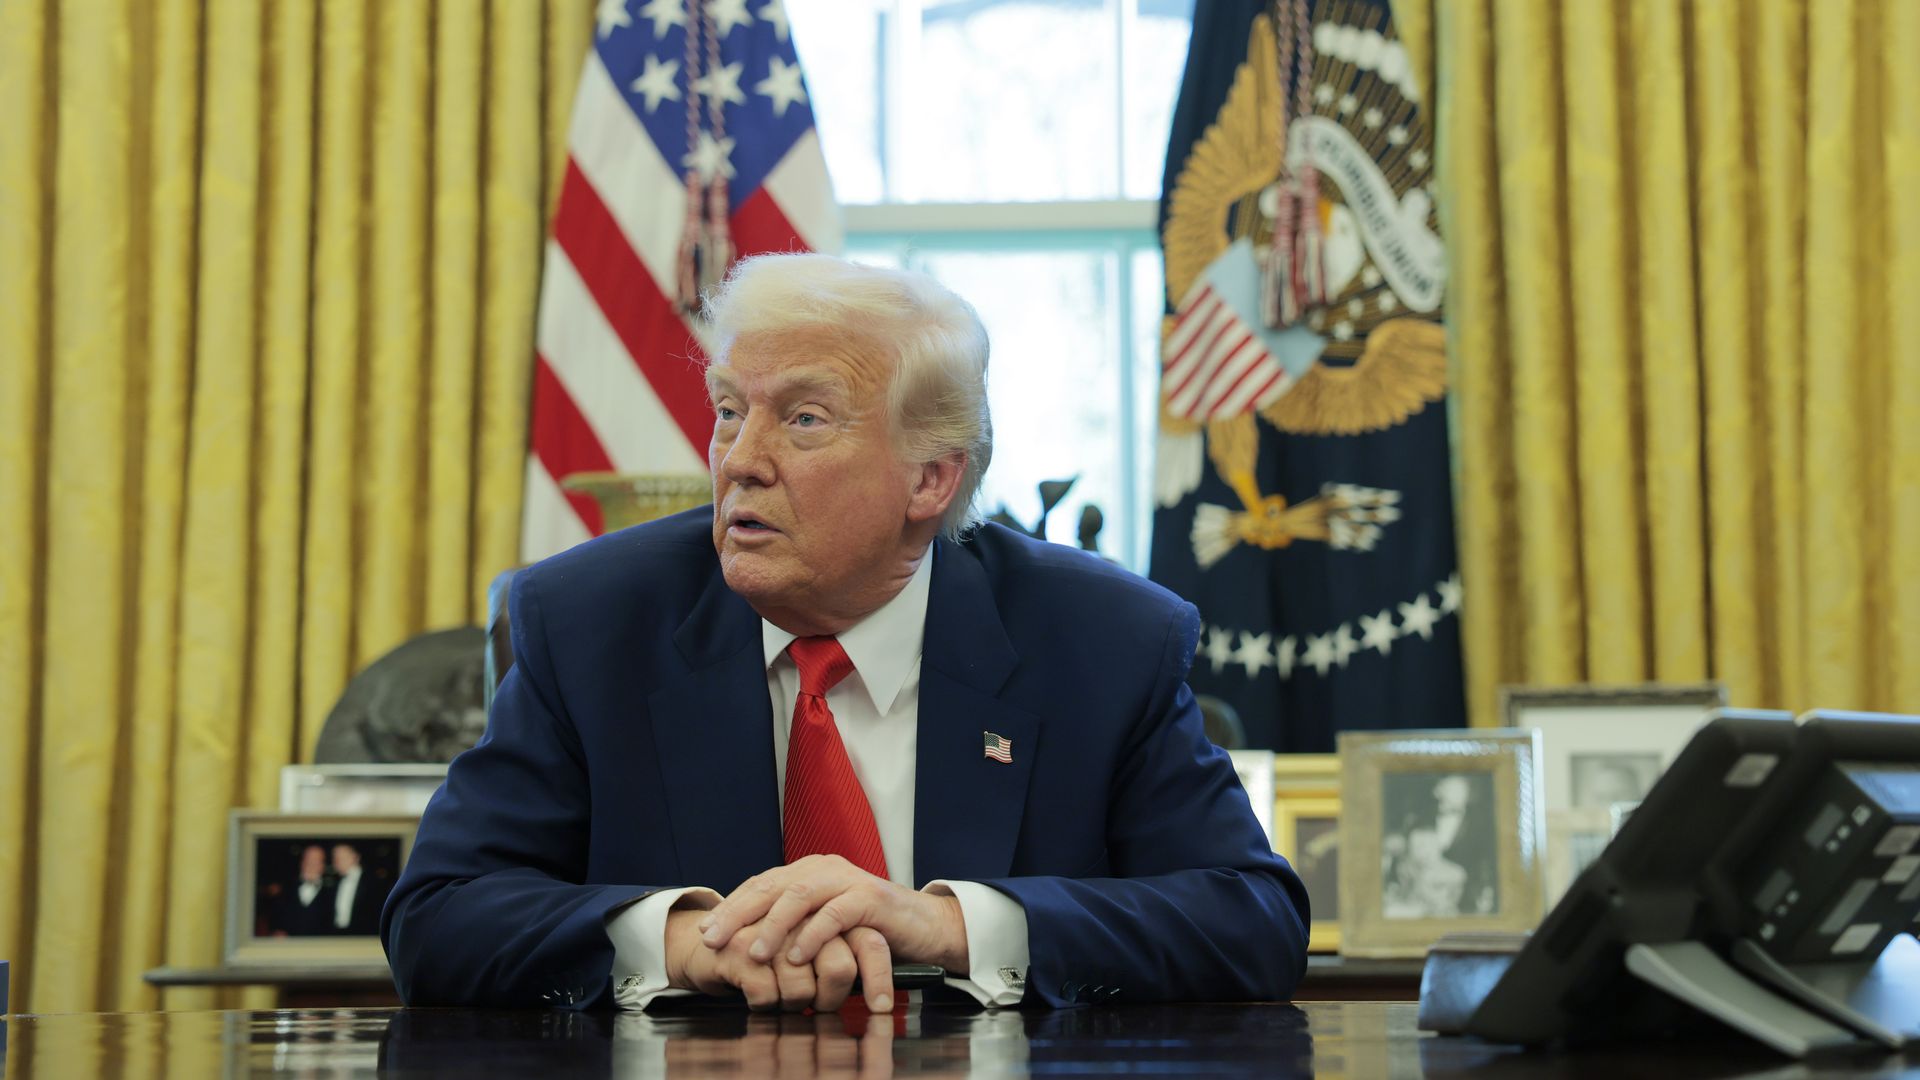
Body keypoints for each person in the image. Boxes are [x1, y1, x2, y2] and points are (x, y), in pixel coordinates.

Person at [382, 254, 1310, 1011]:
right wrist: (685, 942)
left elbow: (1251, 920)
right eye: (729, 413)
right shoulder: (592, 622)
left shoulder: (1101, 639)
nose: (740, 462)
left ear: (930, 480)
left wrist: (945, 927)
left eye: (804, 420)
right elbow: (439, 915)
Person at [268, 844, 335, 936]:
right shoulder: (284, 889)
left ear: (323, 866)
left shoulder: (333, 893)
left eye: (317, 860)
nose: (312, 864)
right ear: (302, 862)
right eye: (309, 859)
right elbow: (274, 919)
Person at [331, 842, 391, 936]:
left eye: (342, 858)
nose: (336, 862)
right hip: (336, 936)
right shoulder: (333, 884)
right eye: (335, 858)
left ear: (356, 857)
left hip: (363, 937)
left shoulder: (373, 882)